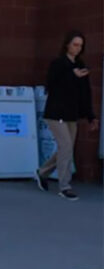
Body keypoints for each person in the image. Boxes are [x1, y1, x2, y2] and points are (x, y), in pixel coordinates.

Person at [35, 30, 99, 201]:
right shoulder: (58, 64)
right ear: (67, 45)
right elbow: (52, 85)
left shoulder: (80, 66)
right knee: (66, 147)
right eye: (75, 44)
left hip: (71, 115)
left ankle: (42, 172)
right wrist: (72, 76)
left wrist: (91, 116)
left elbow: (85, 93)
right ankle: (64, 186)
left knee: (67, 148)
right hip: (56, 113)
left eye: (80, 46)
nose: (77, 48)